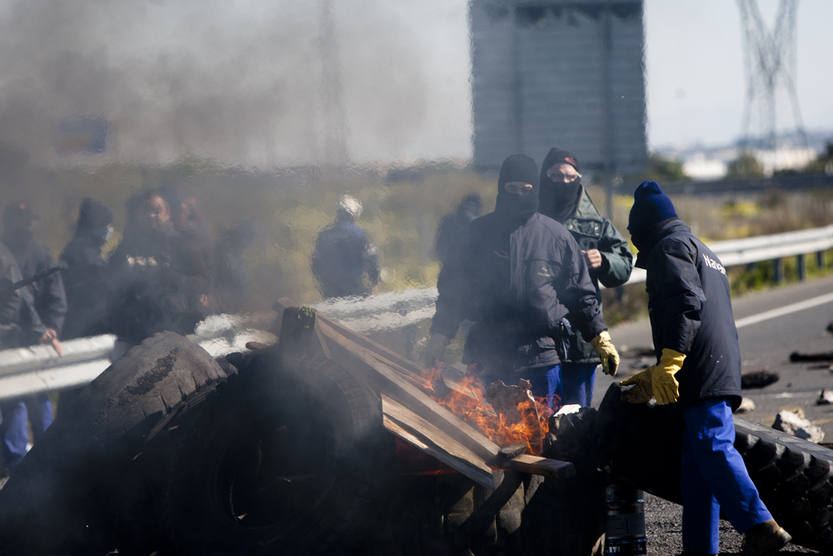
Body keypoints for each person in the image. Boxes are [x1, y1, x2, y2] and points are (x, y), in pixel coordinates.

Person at [620, 181, 791, 555]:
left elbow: (684, 304)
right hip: (711, 363)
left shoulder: (670, 247)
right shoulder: (701, 248)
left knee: (712, 445)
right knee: (696, 472)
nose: (634, 241)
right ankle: (700, 550)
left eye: (634, 233)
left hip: (702, 368)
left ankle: (760, 524)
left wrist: (672, 360)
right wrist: (658, 372)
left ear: (646, 227)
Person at [424, 154, 619, 410]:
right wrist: (439, 336)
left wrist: (600, 337)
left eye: (526, 190)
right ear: (501, 189)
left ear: (535, 190)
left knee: (541, 433)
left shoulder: (556, 237)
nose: (518, 195)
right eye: (512, 189)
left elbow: (580, 294)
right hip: (487, 355)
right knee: (487, 433)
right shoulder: (475, 234)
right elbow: (453, 293)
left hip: (541, 357)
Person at [538, 147, 633, 407]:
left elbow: (625, 261)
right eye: (556, 176)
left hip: (582, 337)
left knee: (576, 418)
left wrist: (604, 260)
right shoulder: (530, 220)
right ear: (544, 178)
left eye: (570, 177)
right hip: (539, 338)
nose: (564, 183)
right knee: (539, 417)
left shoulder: (596, 224)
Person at [0, 202, 65, 470]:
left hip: (14, 340)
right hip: (13, 339)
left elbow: (26, 300)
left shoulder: (9, 257)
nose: (24, 226)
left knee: (22, 398)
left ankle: (31, 460)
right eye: (18, 220)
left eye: (28, 220)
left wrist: (45, 331)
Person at [108, 190, 206, 352]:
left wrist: (170, 276)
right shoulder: (128, 245)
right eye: (146, 211)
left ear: (167, 214)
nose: (150, 216)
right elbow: (111, 282)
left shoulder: (182, 244)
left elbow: (202, 280)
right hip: (137, 331)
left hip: (173, 327)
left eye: (156, 211)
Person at [60, 198, 114, 339]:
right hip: (83, 324)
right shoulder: (83, 253)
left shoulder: (82, 249)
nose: (109, 230)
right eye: (106, 225)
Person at [312, 195, 380, 299]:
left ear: (338, 214)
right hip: (354, 290)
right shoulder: (359, 234)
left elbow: (316, 263)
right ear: (354, 215)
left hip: (330, 291)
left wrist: (323, 283)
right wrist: (374, 282)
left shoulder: (324, 235)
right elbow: (371, 258)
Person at [434, 193, 482, 266]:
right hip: (451, 262)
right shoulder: (450, 220)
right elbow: (441, 242)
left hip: (468, 265)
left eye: (473, 206)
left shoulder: (479, 223)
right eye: (469, 205)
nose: (470, 208)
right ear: (464, 205)